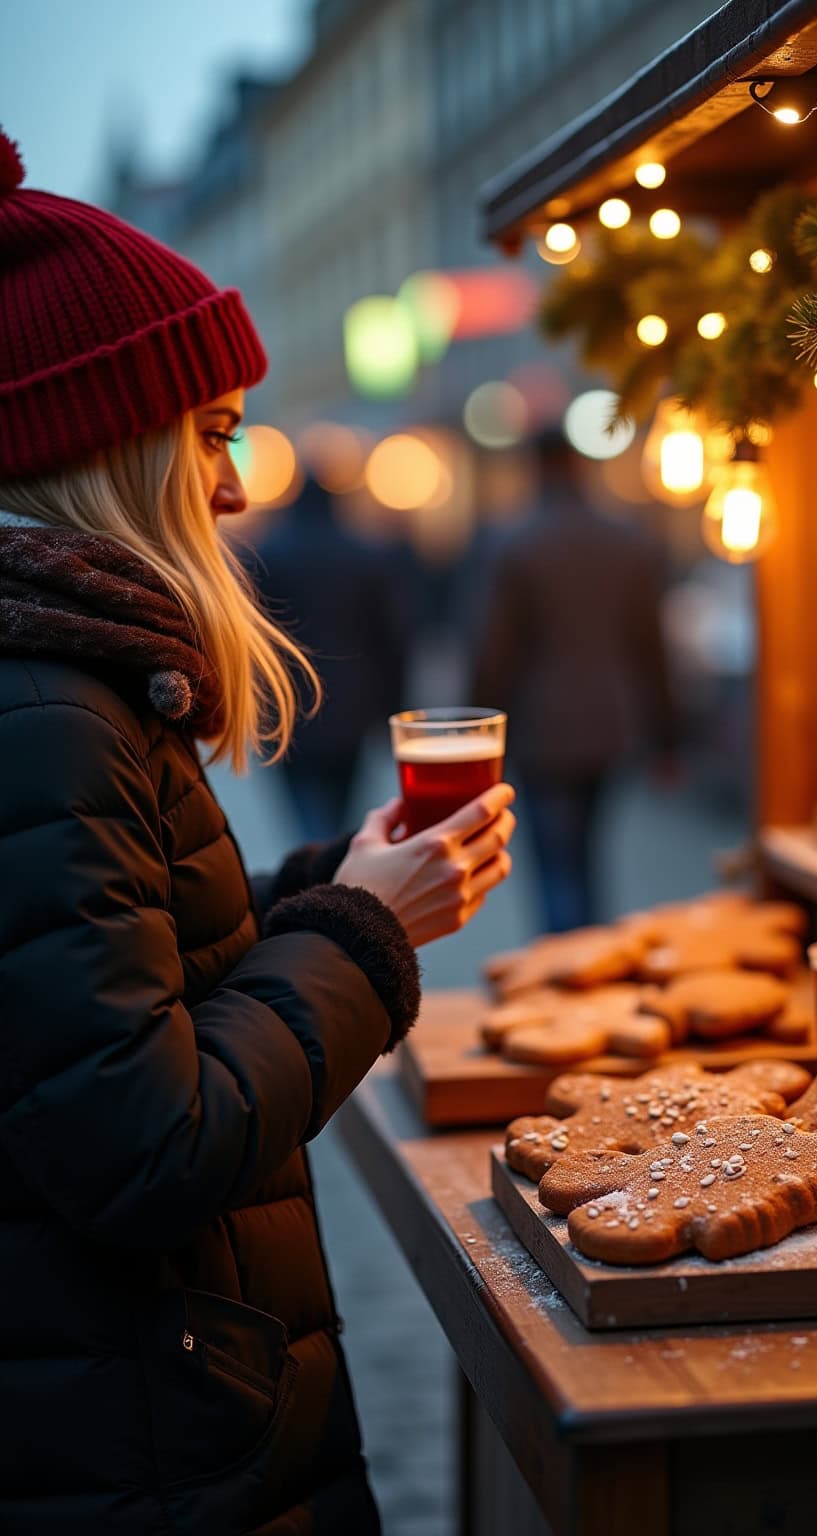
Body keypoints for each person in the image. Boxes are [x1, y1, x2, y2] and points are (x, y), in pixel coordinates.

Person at [0, 130, 514, 1536]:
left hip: (132, 1412)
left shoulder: (66, 682)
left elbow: (103, 983)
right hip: (144, 1439)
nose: (234, 486)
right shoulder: (46, 710)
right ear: (106, 446)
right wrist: (364, 930)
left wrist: (322, 885)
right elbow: (145, 1143)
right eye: (215, 433)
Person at [471, 427, 675, 933]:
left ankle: (566, 960)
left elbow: (494, 652)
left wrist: (476, 737)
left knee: (556, 864)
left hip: (542, 729)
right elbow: (652, 645)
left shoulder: (514, 542)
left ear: (534, 468)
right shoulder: (627, 540)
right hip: (611, 723)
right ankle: (590, 951)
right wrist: (669, 736)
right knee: (587, 854)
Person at [247, 479, 412, 840]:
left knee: (307, 808)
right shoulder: (363, 555)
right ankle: (326, 857)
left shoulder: (270, 554)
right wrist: (394, 708)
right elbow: (391, 638)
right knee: (339, 806)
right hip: (351, 706)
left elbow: (252, 638)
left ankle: (319, 856)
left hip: (288, 706)